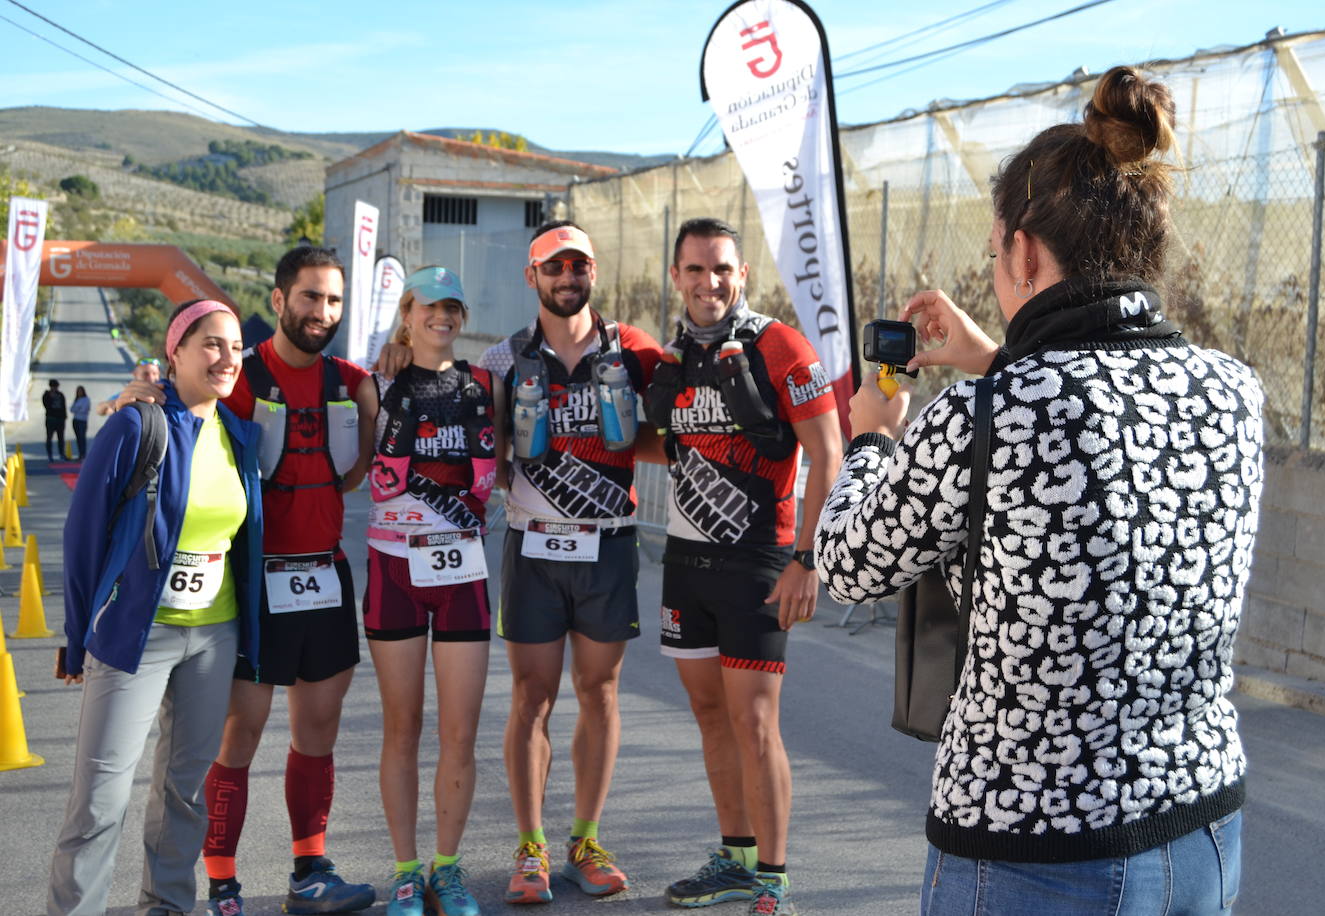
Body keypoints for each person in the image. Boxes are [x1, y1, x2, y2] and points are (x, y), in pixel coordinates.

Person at [813, 66, 1264, 915]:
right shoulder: (1230, 389)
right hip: (1202, 826)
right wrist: (996, 357)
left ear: (1023, 248)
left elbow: (847, 563)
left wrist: (872, 434)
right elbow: (1098, 442)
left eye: (994, 251)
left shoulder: (988, 413)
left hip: (1034, 851)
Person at [117, 247, 379, 916]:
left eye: (333, 301)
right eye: (310, 297)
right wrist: (142, 391)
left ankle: (309, 872)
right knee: (238, 738)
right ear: (281, 296)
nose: (321, 313)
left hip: (325, 573)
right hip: (257, 580)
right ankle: (224, 883)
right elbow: (175, 402)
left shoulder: (353, 381)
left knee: (318, 733)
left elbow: (356, 471)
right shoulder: (240, 373)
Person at [639, 218, 842, 916]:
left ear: (742, 272)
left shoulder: (777, 345)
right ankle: (736, 856)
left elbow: (829, 450)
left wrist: (807, 558)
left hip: (760, 561)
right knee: (708, 714)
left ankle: (775, 879)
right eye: (695, 270)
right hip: (686, 561)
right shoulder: (674, 359)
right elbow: (652, 442)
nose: (709, 282)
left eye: (721, 268)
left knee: (755, 721)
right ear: (677, 277)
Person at [49, 300, 263, 916]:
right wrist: (76, 632)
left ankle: (167, 905)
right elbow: (83, 537)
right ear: (176, 351)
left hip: (214, 636)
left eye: (235, 347)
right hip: (134, 635)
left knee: (186, 794)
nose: (226, 358)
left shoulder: (240, 435)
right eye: (211, 344)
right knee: (99, 800)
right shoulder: (136, 426)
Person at [479, 221, 659, 904]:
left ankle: (585, 838)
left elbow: (682, 422)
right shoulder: (502, 360)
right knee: (531, 698)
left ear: (592, 273)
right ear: (533, 277)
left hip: (607, 542)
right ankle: (531, 849)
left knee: (600, 693)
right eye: (554, 267)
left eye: (578, 265)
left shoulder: (634, 349)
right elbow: (477, 444)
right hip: (533, 543)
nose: (568, 278)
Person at [359, 266, 504, 916]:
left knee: (459, 732)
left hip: (462, 575)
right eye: (428, 306)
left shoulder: (485, 384)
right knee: (402, 726)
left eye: (452, 306)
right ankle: (404, 872)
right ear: (407, 312)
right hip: (394, 568)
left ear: (461, 316)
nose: (441, 317)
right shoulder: (374, 381)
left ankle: (447, 868)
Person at [98, 358, 162, 416]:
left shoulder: (164, 394)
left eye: (155, 373)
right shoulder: (127, 394)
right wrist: (116, 404)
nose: (151, 378)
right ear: (135, 374)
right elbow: (100, 410)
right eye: (145, 374)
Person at [42, 378, 67, 461]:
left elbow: (63, 406)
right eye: (53, 387)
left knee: (61, 438)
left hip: (60, 419)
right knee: (49, 437)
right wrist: (50, 397)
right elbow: (46, 406)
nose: (54, 388)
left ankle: (61, 454)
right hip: (50, 419)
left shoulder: (60, 395)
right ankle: (50, 455)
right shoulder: (46, 395)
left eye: (55, 387)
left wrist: (64, 417)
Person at [70, 385, 91, 460]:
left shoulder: (86, 399)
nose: (79, 393)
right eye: (78, 391)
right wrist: (78, 408)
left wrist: (77, 409)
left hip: (82, 421)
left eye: (80, 391)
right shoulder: (76, 399)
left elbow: (84, 410)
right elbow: (71, 409)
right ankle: (80, 453)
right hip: (76, 420)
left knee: (82, 437)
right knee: (78, 438)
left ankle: (83, 454)